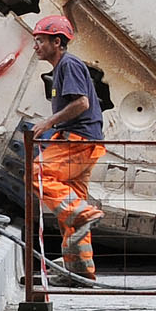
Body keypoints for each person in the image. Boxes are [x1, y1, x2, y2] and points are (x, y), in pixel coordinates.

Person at [28, 14, 105, 281]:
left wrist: (48, 123)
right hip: (85, 142)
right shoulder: (63, 66)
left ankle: (85, 214)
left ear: (57, 41)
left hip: (78, 140)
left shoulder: (68, 65)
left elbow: (81, 103)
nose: (35, 46)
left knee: (38, 173)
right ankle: (80, 271)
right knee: (70, 203)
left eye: (40, 40)